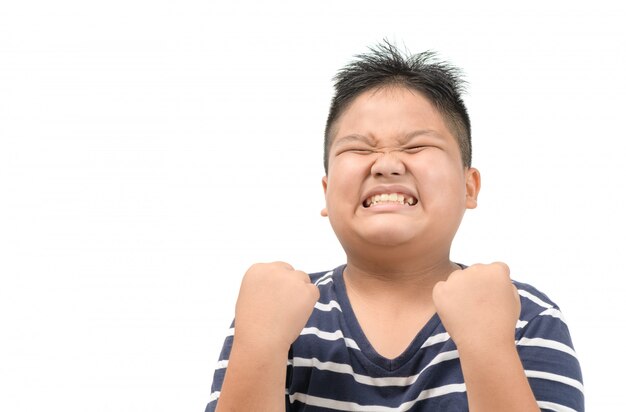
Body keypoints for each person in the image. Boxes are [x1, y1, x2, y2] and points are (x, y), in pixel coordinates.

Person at [205, 41, 584, 411]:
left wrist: (488, 346)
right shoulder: (272, 312)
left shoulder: (526, 316)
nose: (386, 164)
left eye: (416, 146)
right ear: (326, 190)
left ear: (469, 187)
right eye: (360, 149)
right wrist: (259, 345)